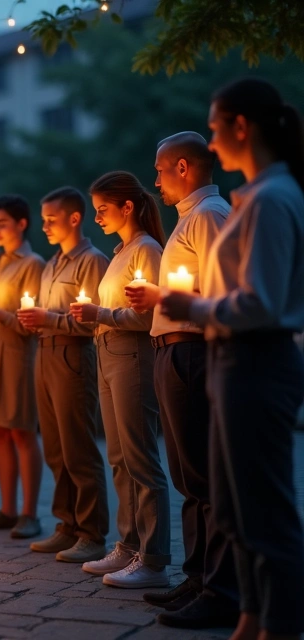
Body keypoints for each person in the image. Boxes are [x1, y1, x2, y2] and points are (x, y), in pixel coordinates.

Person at [162, 77, 304, 640]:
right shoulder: (254, 197)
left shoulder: (273, 199)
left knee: (264, 508)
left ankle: (283, 623)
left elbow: (261, 301)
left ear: (241, 127)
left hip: (256, 360)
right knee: (232, 503)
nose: (212, 143)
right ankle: (250, 616)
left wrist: (188, 304)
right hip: (231, 361)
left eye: (216, 128)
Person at [126, 133, 237, 627]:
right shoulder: (190, 219)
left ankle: (219, 588)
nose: (155, 180)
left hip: (192, 351)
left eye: (160, 170)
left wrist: (160, 297)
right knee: (188, 476)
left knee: (204, 477)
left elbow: (222, 287)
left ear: (184, 167)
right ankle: (196, 578)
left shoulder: (209, 216)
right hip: (173, 351)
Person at [70, 171, 169, 589]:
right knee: (118, 456)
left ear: (128, 207)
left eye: (103, 210)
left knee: (140, 456)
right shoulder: (121, 252)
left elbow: (146, 316)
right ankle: (128, 547)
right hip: (108, 353)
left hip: (132, 354)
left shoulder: (146, 250)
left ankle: (154, 558)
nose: (98, 218)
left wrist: (100, 315)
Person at [16, 187, 111, 563]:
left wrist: (49, 319)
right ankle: (66, 525)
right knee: (55, 450)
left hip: (74, 356)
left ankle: (92, 533)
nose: (46, 226)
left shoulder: (93, 260)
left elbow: (94, 320)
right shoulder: (51, 263)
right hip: (45, 355)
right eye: (43, 220)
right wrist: (34, 321)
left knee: (79, 449)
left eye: (51, 219)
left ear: (75, 218)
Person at [0, 195, 46, 539]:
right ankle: (7, 508)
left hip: (17, 355)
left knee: (21, 432)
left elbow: (30, 322)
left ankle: (30, 513)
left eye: (2, 223)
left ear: (21, 223)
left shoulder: (33, 264)